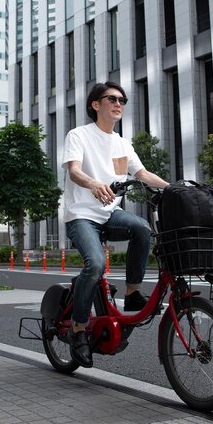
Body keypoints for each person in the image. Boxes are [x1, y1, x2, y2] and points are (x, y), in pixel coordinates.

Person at [62, 81, 170, 368]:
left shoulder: (122, 143)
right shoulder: (79, 135)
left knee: (142, 229)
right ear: (96, 105)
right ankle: (78, 329)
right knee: (95, 265)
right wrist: (93, 183)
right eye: (112, 98)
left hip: (110, 214)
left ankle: (133, 293)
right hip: (82, 214)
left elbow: (143, 173)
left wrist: (175, 188)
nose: (119, 103)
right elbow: (74, 171)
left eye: (122, 99)